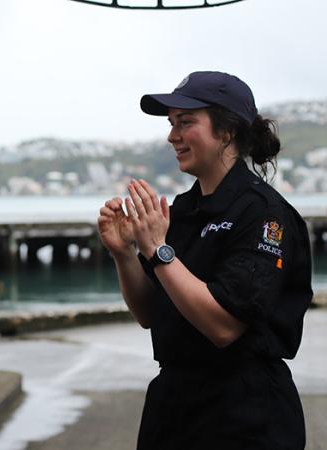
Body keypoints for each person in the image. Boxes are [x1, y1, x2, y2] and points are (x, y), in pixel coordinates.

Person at [97, 71, 312, 450]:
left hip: (243, 412)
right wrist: (126, 254)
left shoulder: (264, 214)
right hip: (174, 406)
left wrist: (160, 251)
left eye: (186, 122)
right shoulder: (182, 210)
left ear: (227, 132)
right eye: (171, 124)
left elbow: (224, 327)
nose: (172, 136)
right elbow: (150, 313)